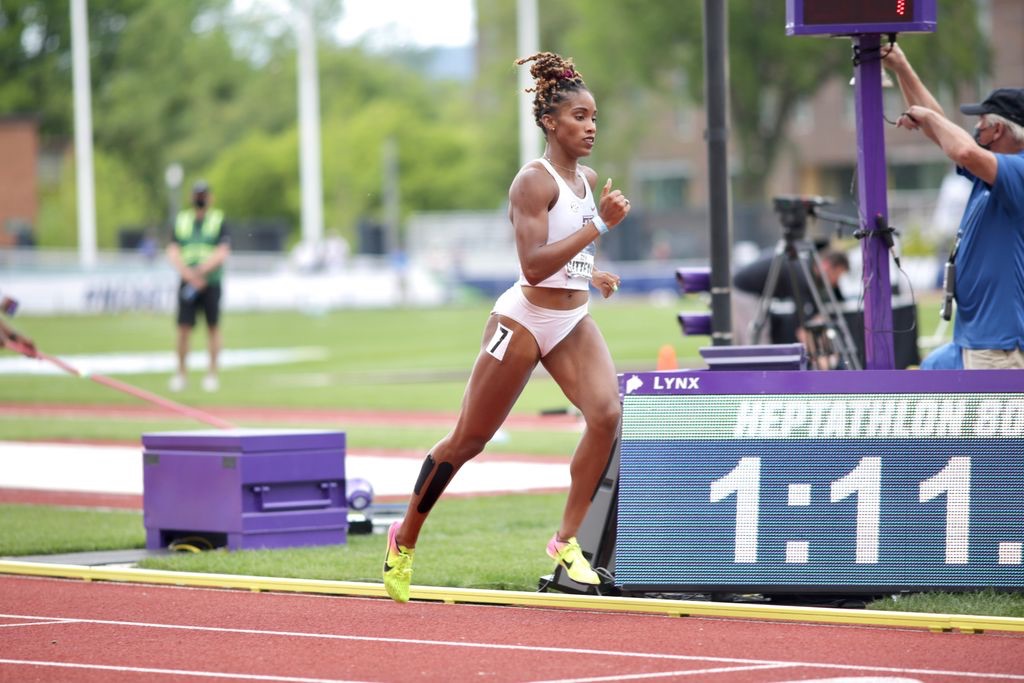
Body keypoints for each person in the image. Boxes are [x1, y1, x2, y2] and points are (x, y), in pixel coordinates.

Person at [382, 52, 631, 603]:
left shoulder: (587, 179)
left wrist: (594, 276)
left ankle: (565, 540)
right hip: (520, 320)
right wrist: (597, 228)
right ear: (551, 122)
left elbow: (568, 256)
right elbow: (534, 265)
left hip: (569, 319)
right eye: (580, 117)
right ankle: (404, 539)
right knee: (469, 439)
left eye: (594, 118)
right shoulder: (530, 182)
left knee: (607, 413)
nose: (591, 127)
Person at [884, 44, 1024, 370]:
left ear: (999, 129)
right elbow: (942, 133)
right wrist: (901, 66)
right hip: (971, 337)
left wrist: (929, 117)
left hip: (998, 346)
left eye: (982, 123)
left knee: (986, 423)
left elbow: (961, 149)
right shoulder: (993, 172)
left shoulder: (1017, 169)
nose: (975, 129)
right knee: (922, 381)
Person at [166, 180, 231, 392]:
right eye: (197, 195)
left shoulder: (218, 220)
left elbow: (222, 252)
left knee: (213, 327)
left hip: (210, 282)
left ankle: (212, 375)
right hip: (188, 281)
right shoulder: (182, 220)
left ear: (210, 197)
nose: (200, 199)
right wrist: (189, 274)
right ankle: (181, 375)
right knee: (183, 329)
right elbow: (173, 251)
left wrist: (201, 271)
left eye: (203, 195)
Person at [731, 246, 850, 346]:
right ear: (826, 265)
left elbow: (811, 306)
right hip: (744, 291)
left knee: (754, 334)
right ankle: (759, 372)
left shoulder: (806, 267)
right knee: (757, 336)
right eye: (837, 274)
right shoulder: (802, 272)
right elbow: (801, 318)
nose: (835, 282)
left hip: (750, 292)